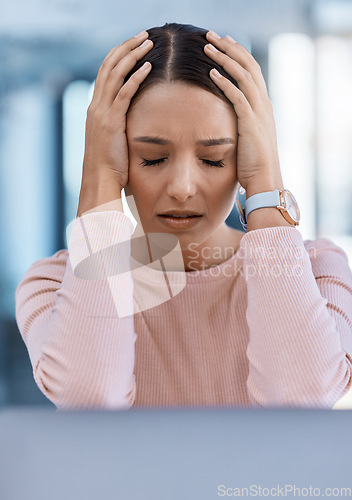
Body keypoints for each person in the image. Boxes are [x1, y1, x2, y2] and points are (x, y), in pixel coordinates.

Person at [15, 22, 352, 411]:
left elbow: (300, 402)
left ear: (243, 159)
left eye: (213, 159)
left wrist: (265, 182)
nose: (182, 187)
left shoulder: (316, 273)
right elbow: (91, 399)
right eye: (152, 158)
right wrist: (99, 179)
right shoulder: (55, 285)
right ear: (121, 159)